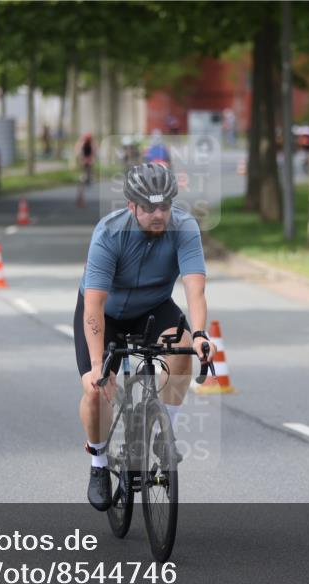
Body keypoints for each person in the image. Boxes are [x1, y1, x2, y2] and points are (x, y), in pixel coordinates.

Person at [74, 162, 217, 511]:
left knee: (182, 345)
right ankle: (99, 463)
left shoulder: (184, 228)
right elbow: (94, 305)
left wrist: (199, 335)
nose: (158, 215)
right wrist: (98, 367)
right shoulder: (108, 234)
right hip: (105, 315)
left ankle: (163, 432)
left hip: (152, 307)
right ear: (131, 205)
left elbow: (195, 288)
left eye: (165, 206)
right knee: (95, 392)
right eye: (150, 207)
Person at [75, 133, 94, 207]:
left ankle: (81, 198)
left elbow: (92, 154)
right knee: (82, 180)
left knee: (84, 181)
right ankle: (81, 199)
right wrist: (83, 160)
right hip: (84, 165)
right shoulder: (82, 144)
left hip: (87, 165)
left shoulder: (90, 144)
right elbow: (79, 154)